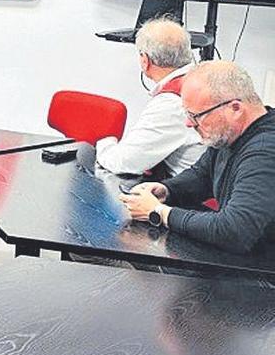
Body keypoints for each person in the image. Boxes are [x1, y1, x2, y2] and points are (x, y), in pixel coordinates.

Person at [121, 61, 275, 254]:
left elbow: (235, 230)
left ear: (235, 108)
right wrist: (166, 190)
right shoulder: (231, 134)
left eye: (196, 116)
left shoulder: (265, 151)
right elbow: (202, 175)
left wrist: (159, 212)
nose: (188, 123)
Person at [96, 19, 204, 177]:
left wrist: (105, 144)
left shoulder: (172, 103)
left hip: (194, 197)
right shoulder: (203, 79)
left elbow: (125, 162)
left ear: (145, 60)